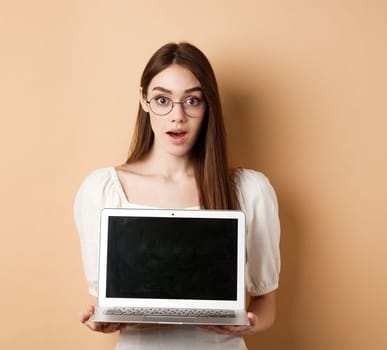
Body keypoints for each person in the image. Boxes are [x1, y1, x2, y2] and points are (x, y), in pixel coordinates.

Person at [74, 42, 280, 349]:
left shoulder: (250, 189)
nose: (177, 116)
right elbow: (106, 300)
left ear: (208, 104)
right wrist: (103, 321)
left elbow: (266, 303)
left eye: (192, 101)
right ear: (143, 100)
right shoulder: (100, 189)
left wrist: (248, 326)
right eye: (162, 100)